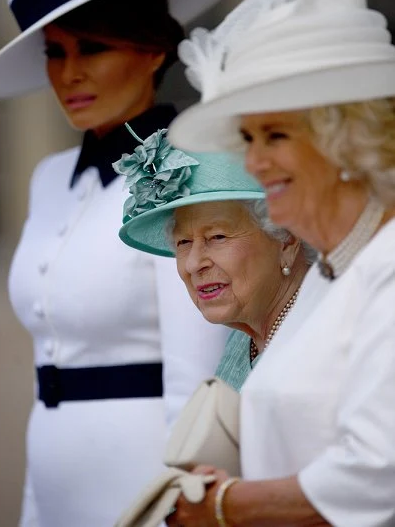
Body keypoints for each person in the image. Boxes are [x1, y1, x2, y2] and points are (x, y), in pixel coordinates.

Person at [0, 0, 236, 527]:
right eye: (54, 52)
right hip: (51, 470)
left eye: (92, 48)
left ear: (152, 51)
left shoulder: (189, 165)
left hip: (147, 471)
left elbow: (198, 369)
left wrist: (186, 495)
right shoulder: (47, 180)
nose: (68, 73)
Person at [166, 0, 395, 526]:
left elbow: (379, 471)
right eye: (248, 137)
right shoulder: (330, 273)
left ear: (345, 139)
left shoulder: (386, 269)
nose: (254, 162)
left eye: (275, 135)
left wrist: (225, 507)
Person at [114, 128, 313, 392]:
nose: (193, 264)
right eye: (183, 242)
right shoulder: (244, 340)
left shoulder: (322, 333)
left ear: (286, 239)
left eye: (217, 237)